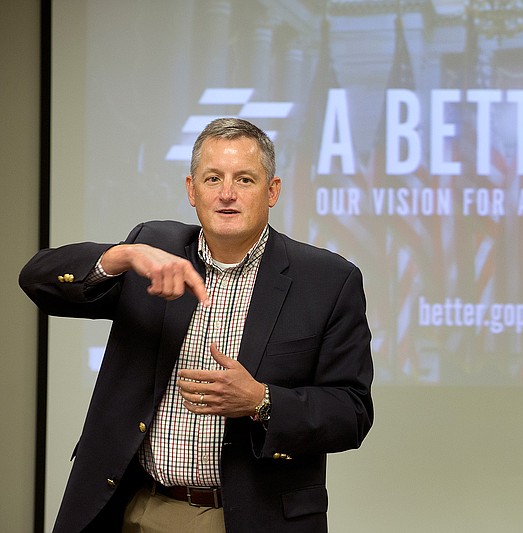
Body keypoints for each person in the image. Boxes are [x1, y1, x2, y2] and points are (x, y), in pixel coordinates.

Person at [19, 117, 374, 532]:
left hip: (249, 517)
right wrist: (120, 256)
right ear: (192, 190)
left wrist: (262, 401)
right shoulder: (152, 248)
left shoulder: (328, 280)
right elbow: (36, 280)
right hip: (137, 507)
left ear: (272, 191)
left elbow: (351, 412)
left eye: (244, 179)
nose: (226, 194)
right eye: (212, 178)